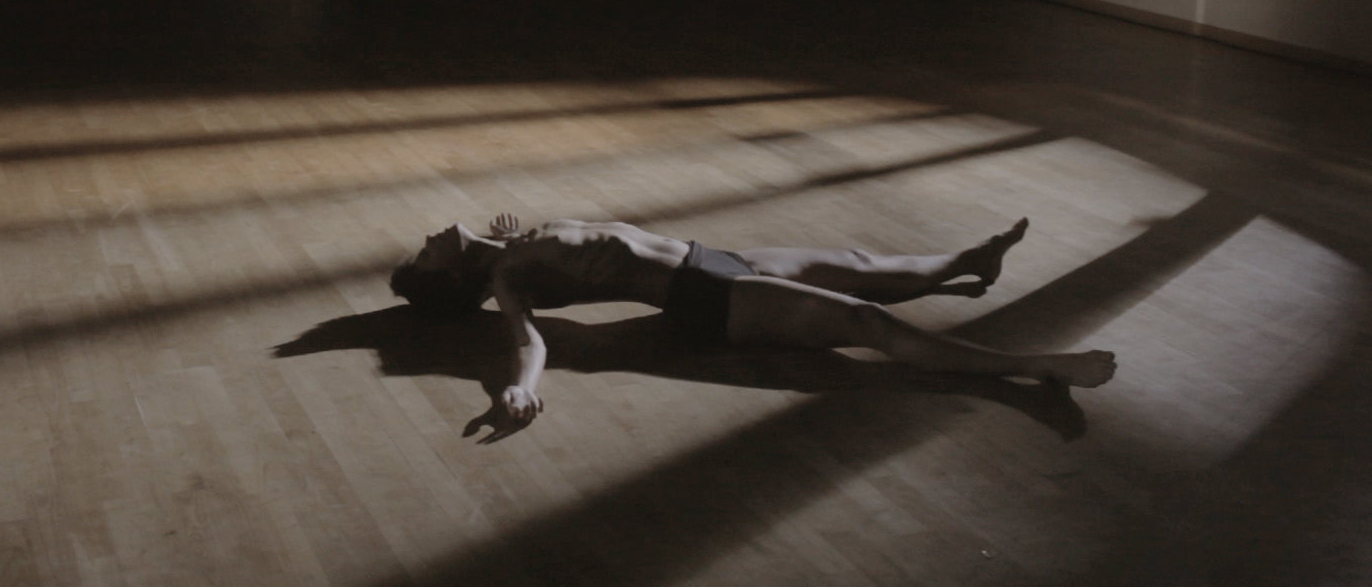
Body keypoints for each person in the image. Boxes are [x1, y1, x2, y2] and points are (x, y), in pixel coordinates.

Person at [391, 214, 1115, 441]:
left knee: (860, 265)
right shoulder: (507, 278)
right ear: (450, 279)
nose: (428, 239)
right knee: (866, 322)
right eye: (426, 256)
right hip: (707, 297)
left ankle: (967, 263)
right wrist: (520, 390)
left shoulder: (508, 241)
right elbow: (530, 340)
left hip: (710, 257)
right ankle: (1039, 366)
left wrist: (509, 236)